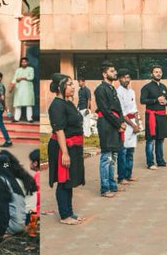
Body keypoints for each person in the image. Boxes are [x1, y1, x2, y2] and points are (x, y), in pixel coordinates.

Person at [47, 75, 85, 226]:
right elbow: (59, 130)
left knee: (69, 180)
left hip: (73, 145)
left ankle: (69, 212)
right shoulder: (56, 105)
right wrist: (65, 153)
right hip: (62, 147)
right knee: (63, 181)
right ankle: (64, 215)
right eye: (69, 85)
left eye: (72, 84)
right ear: (59, 88)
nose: (73, 87)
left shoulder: (68, 103)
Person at [94, 63, 124, 195]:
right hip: (106, 124)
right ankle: (105, 188)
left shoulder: (112, 88)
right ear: (104, 74)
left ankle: (112, 184)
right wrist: (118, 123)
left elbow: (118, 108)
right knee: (106, 157)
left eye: (115, 70)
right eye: (112, 71)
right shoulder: (100, 89)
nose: (115, 72)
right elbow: (105, 110)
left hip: (115, 123)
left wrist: (121, 121)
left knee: (114, 156)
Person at [140, 65, 167, 168]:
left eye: (160, 72)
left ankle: (161, 161)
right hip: (151, 116)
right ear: (152, 74)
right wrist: (155, 100)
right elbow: (142, 100)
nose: (158, 73)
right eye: (156, 72)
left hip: (162, 116)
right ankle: (150, 163)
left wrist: (166, 102)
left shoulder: (164, 87)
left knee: (160, 139)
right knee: (150, 140)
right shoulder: (147, 87)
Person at [116, 68, 139, 185]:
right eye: (124, 77)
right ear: (119, 79)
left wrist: (138, 123)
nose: (127, 80)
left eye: (128, 77)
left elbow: (135, 108)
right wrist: (132, 124)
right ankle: (121, 176)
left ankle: (129, 174)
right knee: (123, 151)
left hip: (134, 122)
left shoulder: (132, 92)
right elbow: (122, 112)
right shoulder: (118, 92)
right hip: (125, 123)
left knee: (131, 150)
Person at [11, 57, 36, 123]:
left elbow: (31, 77)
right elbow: (14, 78)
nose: (23, 63)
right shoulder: (18, 70)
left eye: (25, 62)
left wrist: (22, 78)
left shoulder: (30, 69)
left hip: (27, 88)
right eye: (22, 62)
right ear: (21, 63)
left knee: (28, 104)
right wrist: (11, 86)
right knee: (18, 104)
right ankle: (16, 118)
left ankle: (30, 119)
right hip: (18, 88)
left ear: (27, 62)